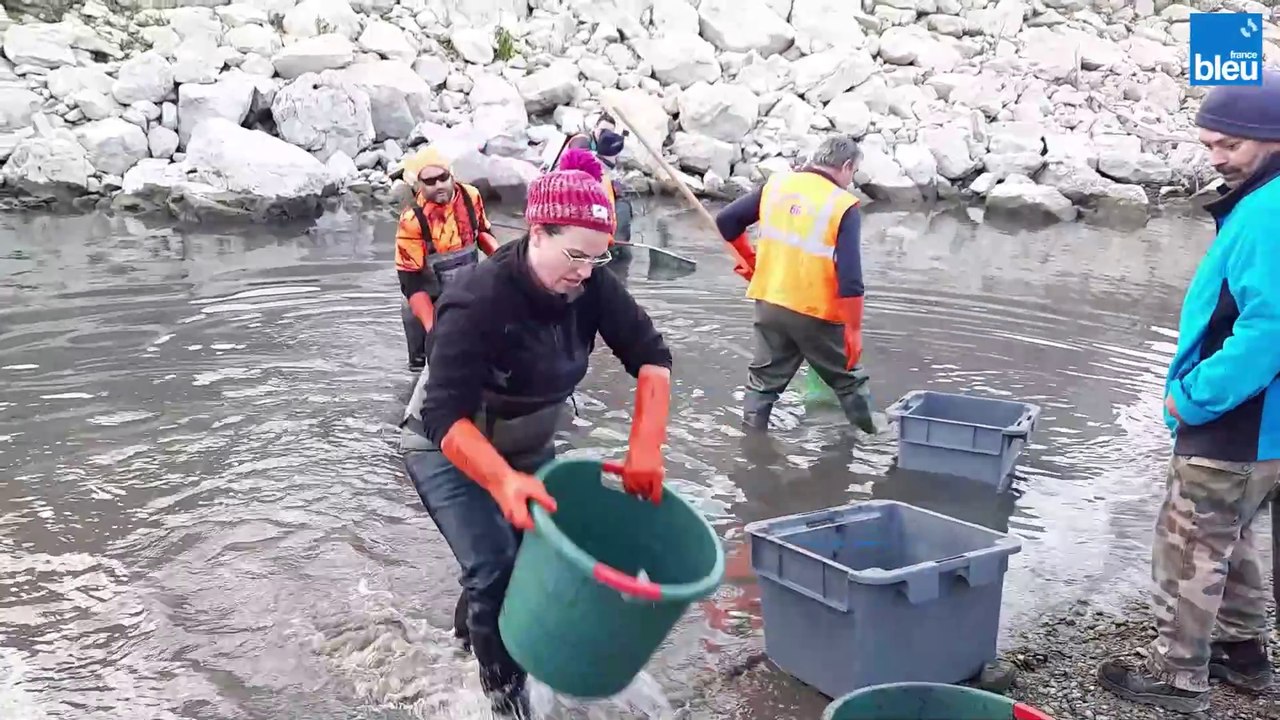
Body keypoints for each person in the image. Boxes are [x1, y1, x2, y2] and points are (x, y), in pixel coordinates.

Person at [398, 166, 674, 717]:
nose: (586, 270)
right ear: (537, 232)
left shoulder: (593, 283)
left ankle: (468, 636)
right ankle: (506, 702)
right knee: (494, 565)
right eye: (575, 255)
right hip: (447, 445)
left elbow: (652, 357)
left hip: (526, 441)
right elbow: (442, 416)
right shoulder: (476, 300)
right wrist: (501, 481)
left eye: (599, 256)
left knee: (535, 558)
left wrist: (646, 447)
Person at [1097, 70, 1280, 714]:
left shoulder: (1268, 211)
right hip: (1266, 427)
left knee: (1188, 546)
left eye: (1230, 144)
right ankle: (1243, 655)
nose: (1216, 158)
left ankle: (1178, 677)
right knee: (1233, 535)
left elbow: (1268, 327)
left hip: (1235, 417)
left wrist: (1194, 396)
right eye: (1209, 144)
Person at [712, 135, 875, 434]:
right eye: (853, 172)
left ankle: (752, 442)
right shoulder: (842, 205)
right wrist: (853, 330)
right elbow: (851, 277)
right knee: (849, 381)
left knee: (763, 383)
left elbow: (726, 221)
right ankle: (875, 438)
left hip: (771, 302)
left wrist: (750, 260)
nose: (851, 181)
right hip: (815, 311)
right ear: (846, 166)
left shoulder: (777, 185)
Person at [394, 147, 500, 371]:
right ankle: (418, 367)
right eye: (430, 181)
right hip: (427, 299)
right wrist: (434, 330)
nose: (439, 185)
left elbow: (482, 233)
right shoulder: (412, 219)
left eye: (443, 177)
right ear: (419, 184)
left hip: (468, 290)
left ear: (451, 175)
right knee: (424, 360)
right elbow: (411, 281)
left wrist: (502, 259)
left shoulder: (471, 196)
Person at [562, 113, 633, 248]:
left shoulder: (606, 146)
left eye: (609, 132)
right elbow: (577, 160)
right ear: (595, 128)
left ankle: (615, 241)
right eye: (602, 130)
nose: (604, 134)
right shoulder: (582, 140)